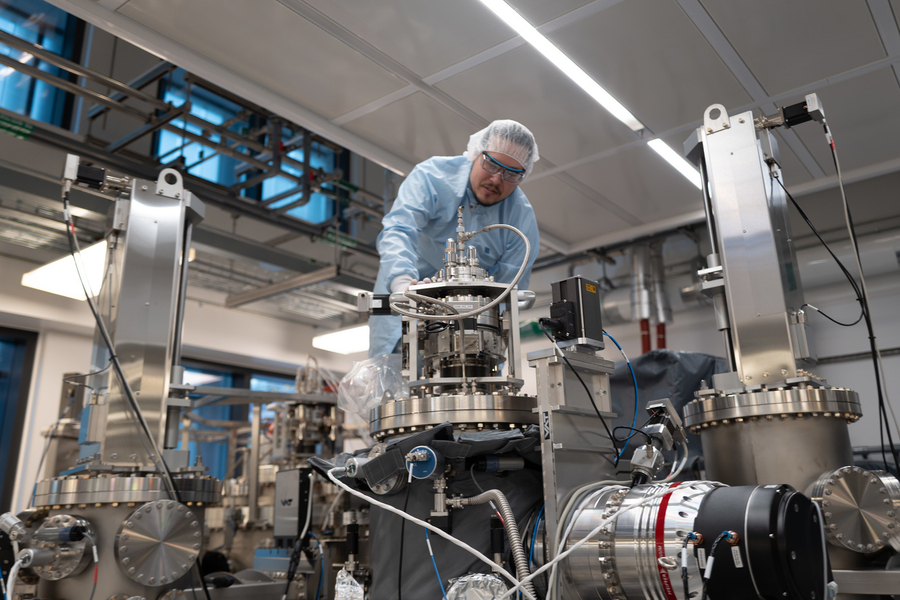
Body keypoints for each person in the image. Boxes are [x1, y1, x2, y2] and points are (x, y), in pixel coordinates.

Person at [368, 119, 541, 357]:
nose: (496, 180)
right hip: (404, 308)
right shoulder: (432, 177)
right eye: (491, 165)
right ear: (476, 153)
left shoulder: (521, 221)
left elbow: (507, 296)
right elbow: (398, 230)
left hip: (468, 330)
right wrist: (403, 284)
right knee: (394, 382)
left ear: (523, 176)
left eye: (511, 174)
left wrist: (491, 354)